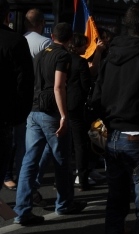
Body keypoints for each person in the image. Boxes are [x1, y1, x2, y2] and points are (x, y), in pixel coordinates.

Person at [92, 4, 139, 234]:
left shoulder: (110, 56)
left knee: (116, 201)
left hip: (113, 138)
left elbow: (96, 97)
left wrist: (110, 120)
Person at [14, 22, 87, 226]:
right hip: (50, 112)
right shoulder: (62, 56)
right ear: (70, 39)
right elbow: (58, 87)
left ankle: (22, 209)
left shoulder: (39, 55)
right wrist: (64, 115)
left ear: (52, 35)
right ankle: (64, 203)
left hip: (34, 110)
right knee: (61, 160)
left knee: (30, 161)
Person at [0, 0, 34, 189]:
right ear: (7, 17)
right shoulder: (15, 41)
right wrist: (18, 116)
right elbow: (25, 83)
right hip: (4, 118)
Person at [68, 33, 93, 190]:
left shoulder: (62, 58)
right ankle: (82, 179)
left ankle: (62, 179)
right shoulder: (81, 62)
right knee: (80, 144)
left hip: (61, 105)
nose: (86, 47)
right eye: (84, 45)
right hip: (76, 106)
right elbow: (86, 86)